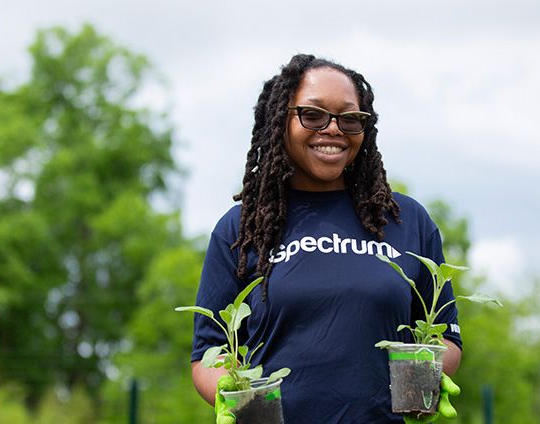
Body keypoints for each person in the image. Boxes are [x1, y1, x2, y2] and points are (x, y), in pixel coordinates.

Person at [189, 54, 463, 423]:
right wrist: (230, 390)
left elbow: (447, 339)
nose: (333, 129)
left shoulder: (406, 220)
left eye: (349, 119)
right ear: (281, 119)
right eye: (313, 115)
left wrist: (428, 373)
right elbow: (210, 351)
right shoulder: (242, 227)